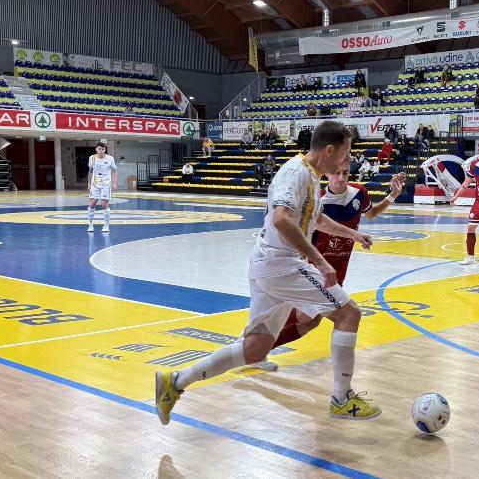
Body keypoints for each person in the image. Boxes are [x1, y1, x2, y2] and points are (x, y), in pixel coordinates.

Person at [154, 121, 382, 424]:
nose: (347, 160)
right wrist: (320, 261)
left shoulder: (311, 177)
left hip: (270, 265)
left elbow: (317, 220)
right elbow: (281, 219)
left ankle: (175, 382)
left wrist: (353, 235)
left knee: (254, 349)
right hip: (281, 263)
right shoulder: (296, 173)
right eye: (346, 152)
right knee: (349, 314)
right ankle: (342, 398)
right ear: (330, 149)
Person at [251, 169, 408, 371]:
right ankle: (253, 348)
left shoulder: (359, 192)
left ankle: (254, 349)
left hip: (338, 269)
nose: (341, 178)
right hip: (315, 267)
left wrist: (393, 194)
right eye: (336, 173)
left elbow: (372, 213)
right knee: (311, 316)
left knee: (310, 321)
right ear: (327, 174)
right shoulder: (318, 199)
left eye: (345, 173)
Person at [86, 143, 117, 233]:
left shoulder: (110, 158)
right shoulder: (92, 158)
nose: (101, 151)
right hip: (95, 184)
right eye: (99, 149)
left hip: (106, 184)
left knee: (104, 205)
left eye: (103, 149)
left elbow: (115, 171)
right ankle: (90, 225)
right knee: (92, 204)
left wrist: (115, 184)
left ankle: (106, 225)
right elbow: (90, 171)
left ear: (105, 150)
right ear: (96, 149)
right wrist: (88, 183)